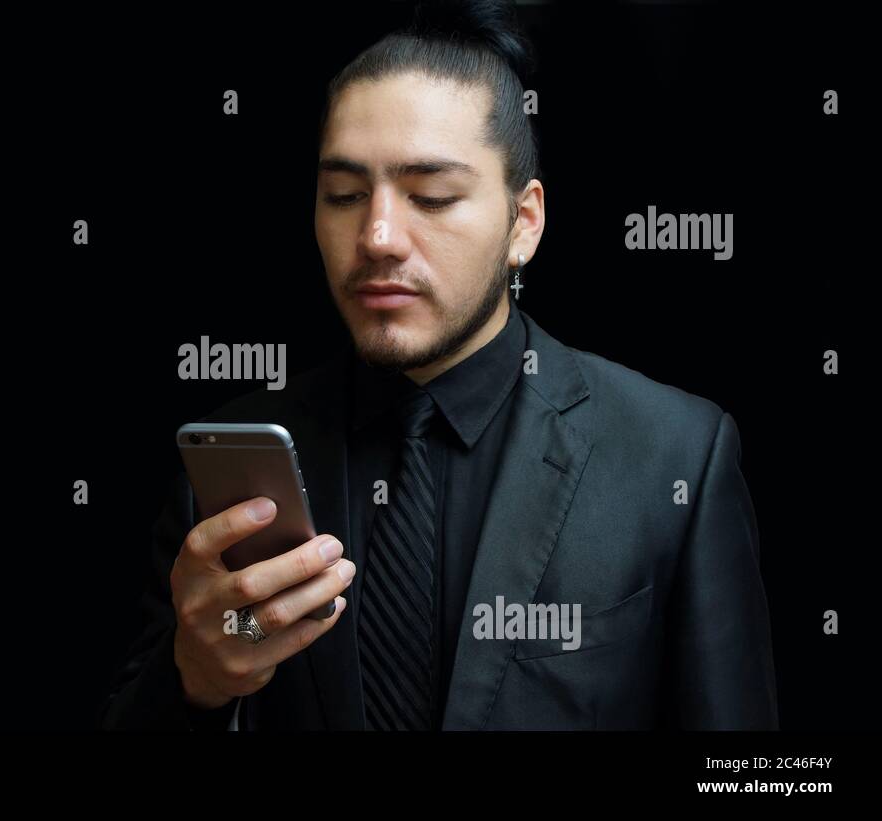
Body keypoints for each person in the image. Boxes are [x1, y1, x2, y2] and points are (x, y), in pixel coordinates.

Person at [100, 0, 777, 731]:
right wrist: (193, 679)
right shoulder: (233, 460)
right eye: (345, 196)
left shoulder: (672, 453)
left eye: (431, 195)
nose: (379, 235)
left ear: (525, 224)